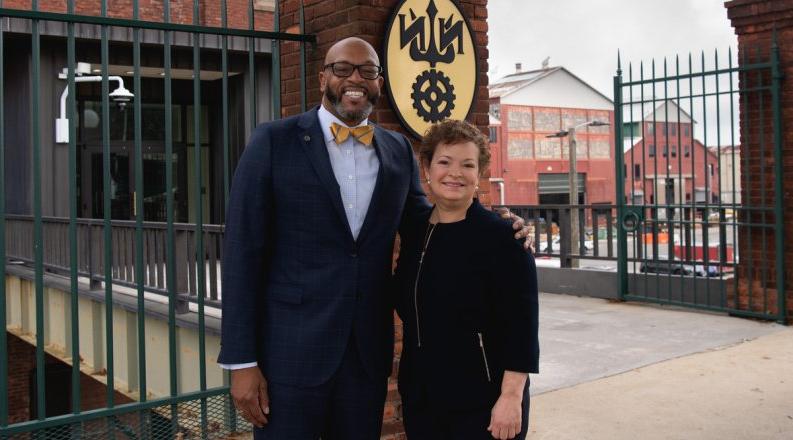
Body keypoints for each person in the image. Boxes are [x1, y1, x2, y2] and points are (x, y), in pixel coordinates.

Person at [218, 37, 529, 439]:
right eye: (343, 68)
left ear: (379, 82)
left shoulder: (396, 148)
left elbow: (425, 220)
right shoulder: (273, 142)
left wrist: (495, 223)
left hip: (365, 357)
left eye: (368, 71)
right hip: (290, 356)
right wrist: (242, 361)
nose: (356, 79)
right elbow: (243, 252)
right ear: (323, 77)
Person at [394, 119, 540, 440]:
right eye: (444, 162)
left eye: (467, 164)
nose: (455, 173)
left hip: (484, 401)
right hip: (423, 396)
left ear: (479, 173)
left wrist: (512, 397)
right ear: (427, 169)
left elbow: (523, 326)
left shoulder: (504, 236)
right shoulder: (415, 228)